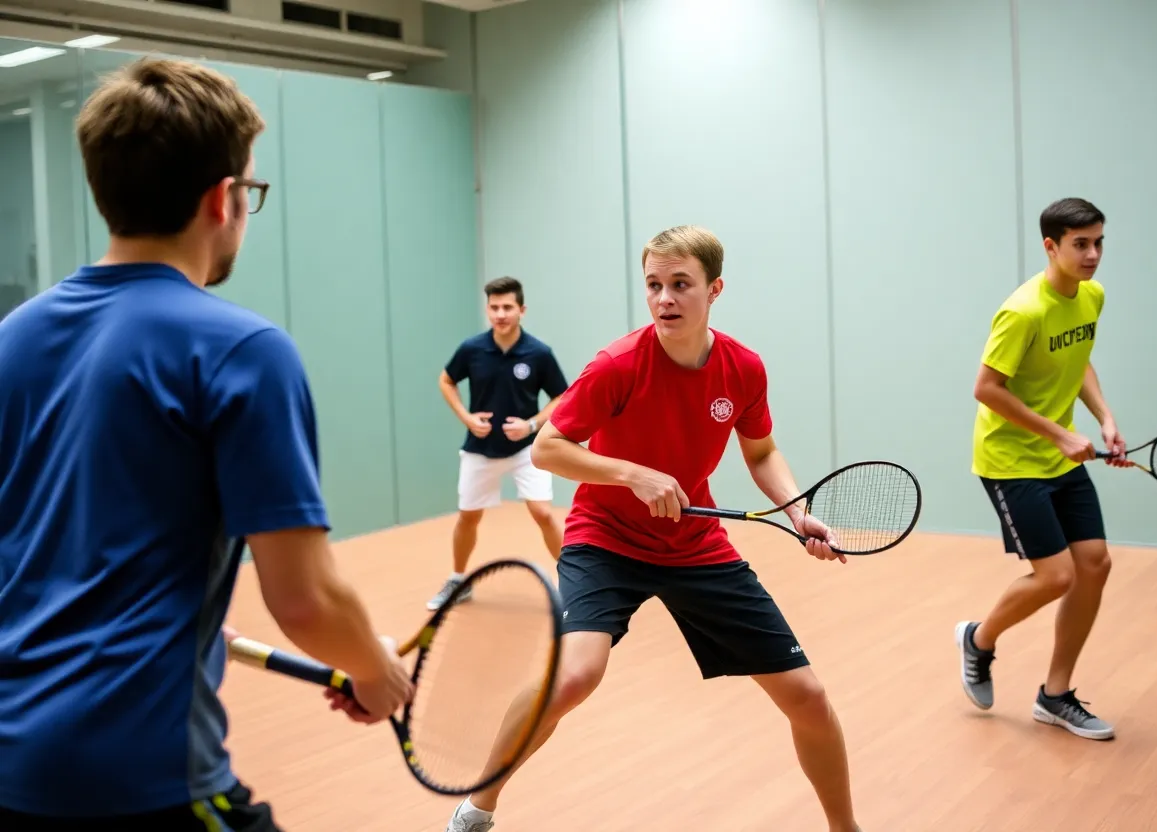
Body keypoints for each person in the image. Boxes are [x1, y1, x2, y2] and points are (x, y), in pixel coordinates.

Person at [0, 57, 412, 830]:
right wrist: (374, 670)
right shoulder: (240, 350)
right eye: (250, 191)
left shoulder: (11, 341)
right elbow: (306, 599)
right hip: (141, 774)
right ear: (223, 200)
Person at [443, 226, 863, 832]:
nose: (664, 298)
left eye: (680, 285)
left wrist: (797, 509)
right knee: (575, 675)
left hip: (695, 543)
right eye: (654, 286)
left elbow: (762, 450)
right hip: (605, 537)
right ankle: (478, 805)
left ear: (714, 289)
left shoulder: (742, 369)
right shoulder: (617, 365)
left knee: (809, 698)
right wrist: (631, 474)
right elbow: (549, 447)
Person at [956, 197, 1132, 741]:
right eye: (1081, 244)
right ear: (1051, 246)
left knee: (1095, 565)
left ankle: (1055, 696)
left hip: (1059, 455)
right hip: (1011, 461)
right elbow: (986, 388)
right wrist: (1059, 432)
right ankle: (979, 639)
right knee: (1057, 576)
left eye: (1099, 242)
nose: (1093, 255)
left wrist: (1104, 419)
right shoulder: (1023, 310)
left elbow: (1078, 362)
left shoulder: (1091, 297)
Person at [429, 276, 569, 611]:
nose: (500, 314)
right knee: (468, 516)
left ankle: (573, 584)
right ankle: (458, 581)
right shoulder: (472, 349)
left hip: (526, 450)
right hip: (480, 450)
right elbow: (446, 380)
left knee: (544, 514)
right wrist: (466, 417)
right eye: (494, 307)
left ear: (521, 310)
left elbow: (562, 396)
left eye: (507, 307)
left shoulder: (539, 353)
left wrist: (532, 424)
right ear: (487, 309)